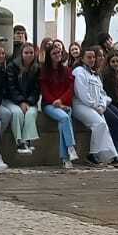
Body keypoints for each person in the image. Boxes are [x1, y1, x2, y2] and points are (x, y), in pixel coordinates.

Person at [72, 48, 118, 165]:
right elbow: (82, 93)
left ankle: (111, 155)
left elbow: (102, 94)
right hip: (80, 105)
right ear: (82, 58)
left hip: (96, 107)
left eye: (93, 57)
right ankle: (92, 154)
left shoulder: (95, 74)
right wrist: (95, 106)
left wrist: (102, 105)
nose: (92, 60)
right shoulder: (79, 72)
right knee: (99, 124)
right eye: (89, 57)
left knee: (104, 126)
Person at [37, 39, 80, 170]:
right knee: (65, 118)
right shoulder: (44, 71)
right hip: (49, 105)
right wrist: (57, 103)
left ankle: (65, 159)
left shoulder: (66, 70)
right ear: (49, 56)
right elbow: (45, 92)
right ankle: (71, 147)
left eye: (59, 52)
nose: (58, 55)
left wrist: (61, 101)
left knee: (63, 125)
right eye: (54, 53)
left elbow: (70, 89)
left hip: (64, 103)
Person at [5, 42, 42, 154]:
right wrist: (21, 101)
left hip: (30, 101)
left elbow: (36, 89)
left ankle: (27, 140)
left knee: (31, 113)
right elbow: (11, 87)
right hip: (12, 100)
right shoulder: (12, 66)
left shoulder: (37, 68)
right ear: (21, 54)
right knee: (17, 113)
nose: (29, 55)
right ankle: (19, 142)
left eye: (31, 52)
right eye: (26, 53)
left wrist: (29, 102)